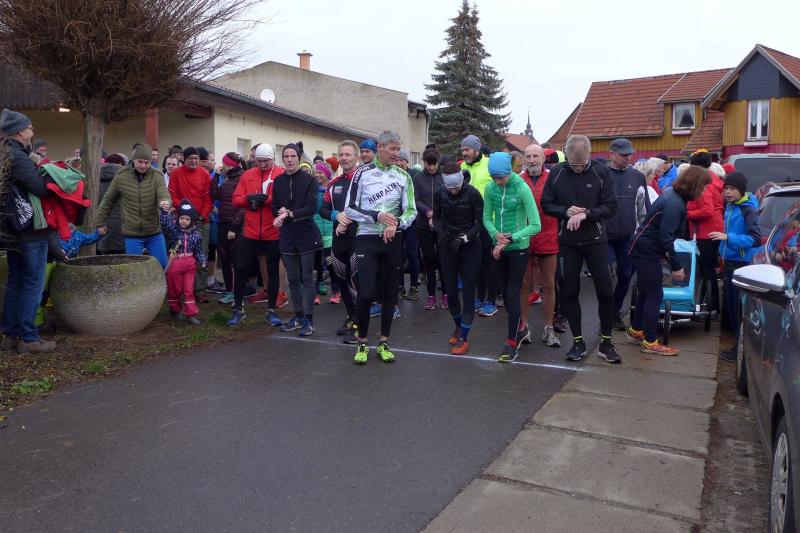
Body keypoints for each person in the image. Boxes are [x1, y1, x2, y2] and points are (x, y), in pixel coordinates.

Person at [541, 134, 621, 364]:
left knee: (605, 291)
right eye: (573, 164)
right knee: (569, 292)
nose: (577, 168)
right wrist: (565, 211)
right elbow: (546, 204)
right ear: (566, 156)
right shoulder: (557, 173)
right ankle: (578, 342)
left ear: (589, 156)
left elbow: (611, 206)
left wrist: (587, 214)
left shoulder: (600, 171)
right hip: (568, 243)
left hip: (595, 240)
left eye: (582, 164)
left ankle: (606, 342)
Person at [345, 130, 416, 364]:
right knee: (365, 293)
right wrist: (376, 215)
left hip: (392, 239)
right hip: (366, 237)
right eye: (393, 149)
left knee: (389, 293)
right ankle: (362, 342)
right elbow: (350, 208)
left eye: (399, 149)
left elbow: (411, 210)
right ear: (381, 148)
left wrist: (396, 224)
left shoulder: (403, 176)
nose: (397, 153)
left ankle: (384, 342)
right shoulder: (362, 173)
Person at [627, 166, 711, 355]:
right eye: (704, 187)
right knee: (655, 295)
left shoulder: (674, 196)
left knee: (646, 292)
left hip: (644, 247)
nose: (704, 191)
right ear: (694, 185)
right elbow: (666, 238)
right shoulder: (674, 203)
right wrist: (676, 266)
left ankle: (636, 330)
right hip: (646, 250)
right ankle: (650, 342)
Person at [0, 108, 57, 353]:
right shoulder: (19, 157)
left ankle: (10, 335)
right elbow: (41, 188)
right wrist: (49, 172)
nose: (32, 130)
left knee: (16, 281)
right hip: (29, 229)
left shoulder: (6, 154)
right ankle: (29, 338)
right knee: (32, 282)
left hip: (12, 229)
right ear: (20, 131)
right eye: (30, 126)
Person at [483, 152, 541, 362]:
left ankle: (511, 341)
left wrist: (512, 237)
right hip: (499, 247)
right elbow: (486, 218)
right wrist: (495, 235)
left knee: (513, 292)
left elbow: (535, 225)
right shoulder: (490, 188)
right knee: (505, 293)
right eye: (494, 178)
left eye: (501, 177)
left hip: (518, 248)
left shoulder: (522, 188)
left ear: (509, 172)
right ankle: (521, 327)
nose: (497, 182)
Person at [228, 143, 285, 327]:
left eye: (266, 161)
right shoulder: (248, 175)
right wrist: (248, 199)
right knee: (241, 268)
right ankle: (238, 309)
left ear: (273, 159)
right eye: (258, 161)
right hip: (250, 231)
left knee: (272, 270)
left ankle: (271, 311)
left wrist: (266, 200)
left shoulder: (280, 174)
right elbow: (235, 200)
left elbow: (285, 200)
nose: (262, 164)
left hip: (273, 230)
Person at [272, 143, 322, 337]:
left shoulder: (309, 180)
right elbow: (274, 206)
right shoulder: (278, 181)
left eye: (293, 156)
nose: (290, 159)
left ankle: (309, 320)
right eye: (286, 156)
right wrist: (279, 212)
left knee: (306, 278)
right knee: (293, 279)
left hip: (306, 234)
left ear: (299, 158)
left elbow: (311, 207)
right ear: (282, 159)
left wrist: (290, 213)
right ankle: (299, 316)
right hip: (287, 235)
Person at [433, 162, 483, 355]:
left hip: (470, 246)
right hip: (448, 246)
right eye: (450, 188)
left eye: (456, 187)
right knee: (451, 292)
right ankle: (458, 326)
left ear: (462, 182)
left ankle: (464, 338)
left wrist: (464, 238)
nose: (453, 191)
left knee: (468, 292)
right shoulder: (440, 193)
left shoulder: (473, 194)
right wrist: (441, 233)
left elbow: (479, 222)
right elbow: (436, 217)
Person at [96, 143, 171, 268]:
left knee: (162, 263)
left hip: (153, 231)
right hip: (132, 232)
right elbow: (108, 200)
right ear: (134, 160)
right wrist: (100, 222)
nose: (143, 165)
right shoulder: (121, 176)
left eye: (147, 162)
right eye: (140, 162)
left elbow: (163, 194)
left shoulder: (157, 176)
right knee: (135, 266)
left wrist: (165, 202)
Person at [712, 171, 760, 362]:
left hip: (740, 264)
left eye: (732, 189)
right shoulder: (731, 206)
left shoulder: (747, 209)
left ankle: (740, 349)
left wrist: (727, 238)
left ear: (741, 190)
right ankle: (737, 345)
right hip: (729, 262)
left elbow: (755, 239)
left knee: (739, 308)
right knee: (732, 307)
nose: (728, 192)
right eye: (726, 188)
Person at [519, 144, 561, 348]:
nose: (532, 160)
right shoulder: (518, 180)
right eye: (528, 156)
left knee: (549, 284)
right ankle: (523, 327)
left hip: (548, 235)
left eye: (536, 156)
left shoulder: (554, 179)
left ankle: (549, 328)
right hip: (524, 237)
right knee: (523, 284)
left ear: (544, 159)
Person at [604, 138, 648, 331]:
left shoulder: (637, 176)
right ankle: (605, 314)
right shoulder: (601, 174)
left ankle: (614, 312)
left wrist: (641, 232)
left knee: (625, 274)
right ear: (612, 153)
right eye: (623, 154)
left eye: (629, 154)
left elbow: (643, 209)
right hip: (604, 235)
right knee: (604, 278)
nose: (627, 158)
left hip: (627, 236)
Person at [320, 140, 361, 344]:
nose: (344, 158)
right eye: (341, 155)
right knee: (342, 280)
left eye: (348, 154)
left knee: (356, 281)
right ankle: (351, 316)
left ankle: (360, 324)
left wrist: (349, 218)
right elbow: (323, 209)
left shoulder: (364, 181)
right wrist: (336, 215)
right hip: (339, 238)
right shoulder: (334, 183)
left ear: (357, 157)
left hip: (359, 238)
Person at [168, 146, 213, 300]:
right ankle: (182, 289)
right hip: (182, 220)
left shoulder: (204, 173)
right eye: (190, 158)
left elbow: (208, 198)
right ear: (183, 159)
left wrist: (202, 215)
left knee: (202, 253)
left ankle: (200, 290)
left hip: (201, 220)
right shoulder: (176, 174)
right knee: (181, 254)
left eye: (196, 158)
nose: (193, 161)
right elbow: (172, 194)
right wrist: (183, 209)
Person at [460, 134, 497, 317]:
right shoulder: (462, 167)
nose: (464, 153)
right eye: (462, 150)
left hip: (489, 221)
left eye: (467, 149)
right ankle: (479, 297)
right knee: (477, 262)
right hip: (470, 223)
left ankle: (491, 300)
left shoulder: (490, 165)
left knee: (490, 262)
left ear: (476, 149)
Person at [686, 158, 724, 317]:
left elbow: (707, 210)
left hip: (705, 233)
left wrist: (686, 214)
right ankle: (706, 303)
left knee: (706, 270)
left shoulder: (703, 188)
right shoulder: (709, 184)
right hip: (708, 231)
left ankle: (712, 306)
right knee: (706, 270)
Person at [161, 201, 207, 325]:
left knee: (188, 290)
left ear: (192, 220)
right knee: (175, 289)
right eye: (182, 218)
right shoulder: (173, 230)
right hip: (175, 263)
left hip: (189, 265)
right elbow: (165, 224)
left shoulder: (196, 234)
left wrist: (202, 260)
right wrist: (164, 212)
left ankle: (191, 314)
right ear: (178, 218)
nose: (184, 221)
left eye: (187, 219)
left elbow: (198, 250)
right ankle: (175, 310)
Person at [414, 144, 446, 310]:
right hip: (423, 224)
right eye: (428, 164)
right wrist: (427, 212)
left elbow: (448, 197)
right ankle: (431, 295)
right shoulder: (418, 178)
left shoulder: (444, 176)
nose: (432, 167)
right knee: (429, 260)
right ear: (424, 162)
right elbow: (416, 199)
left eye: (434, 164)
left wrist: (437, 215)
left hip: (442, 225)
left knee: (443, 260)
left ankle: (446, 294)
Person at [211, 152, 246, 305]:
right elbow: (214, 195)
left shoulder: (242, 179)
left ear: (229, 164)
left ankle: (238, 295)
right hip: (223, 223)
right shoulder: (227, 179)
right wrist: (216, 176)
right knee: (224, 259)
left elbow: (243, 207)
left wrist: (233, 227)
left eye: (224, 163)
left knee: (237, 261)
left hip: (235, 226)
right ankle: (229, 292)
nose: (222, 165)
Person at [396, 148, 420, 300]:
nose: (399, 163)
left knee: (412, 253)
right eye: (396, 160)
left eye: (401, 160)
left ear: (407, 162)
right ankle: (400, 286)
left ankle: (414, 286)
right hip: (395, 221)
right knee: (398, 255)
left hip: (411, 221)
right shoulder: (392, 175)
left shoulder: (414, 176)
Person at [313, 161, 338, 303]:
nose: (317, 175)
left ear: (327, 174)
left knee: (330, 262)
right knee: (316, 263)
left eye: (320, 172)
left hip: (330, 230)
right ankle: (315, 293)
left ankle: (335, 292)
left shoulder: (334, 188)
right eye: (316, 172)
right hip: (315, 230)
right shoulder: (312, 190)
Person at [97, 154, 126, 255]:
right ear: (120, 164)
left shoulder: (95, 178)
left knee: (105, 261)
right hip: (121, 228)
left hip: (102, 228)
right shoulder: (124, 179)